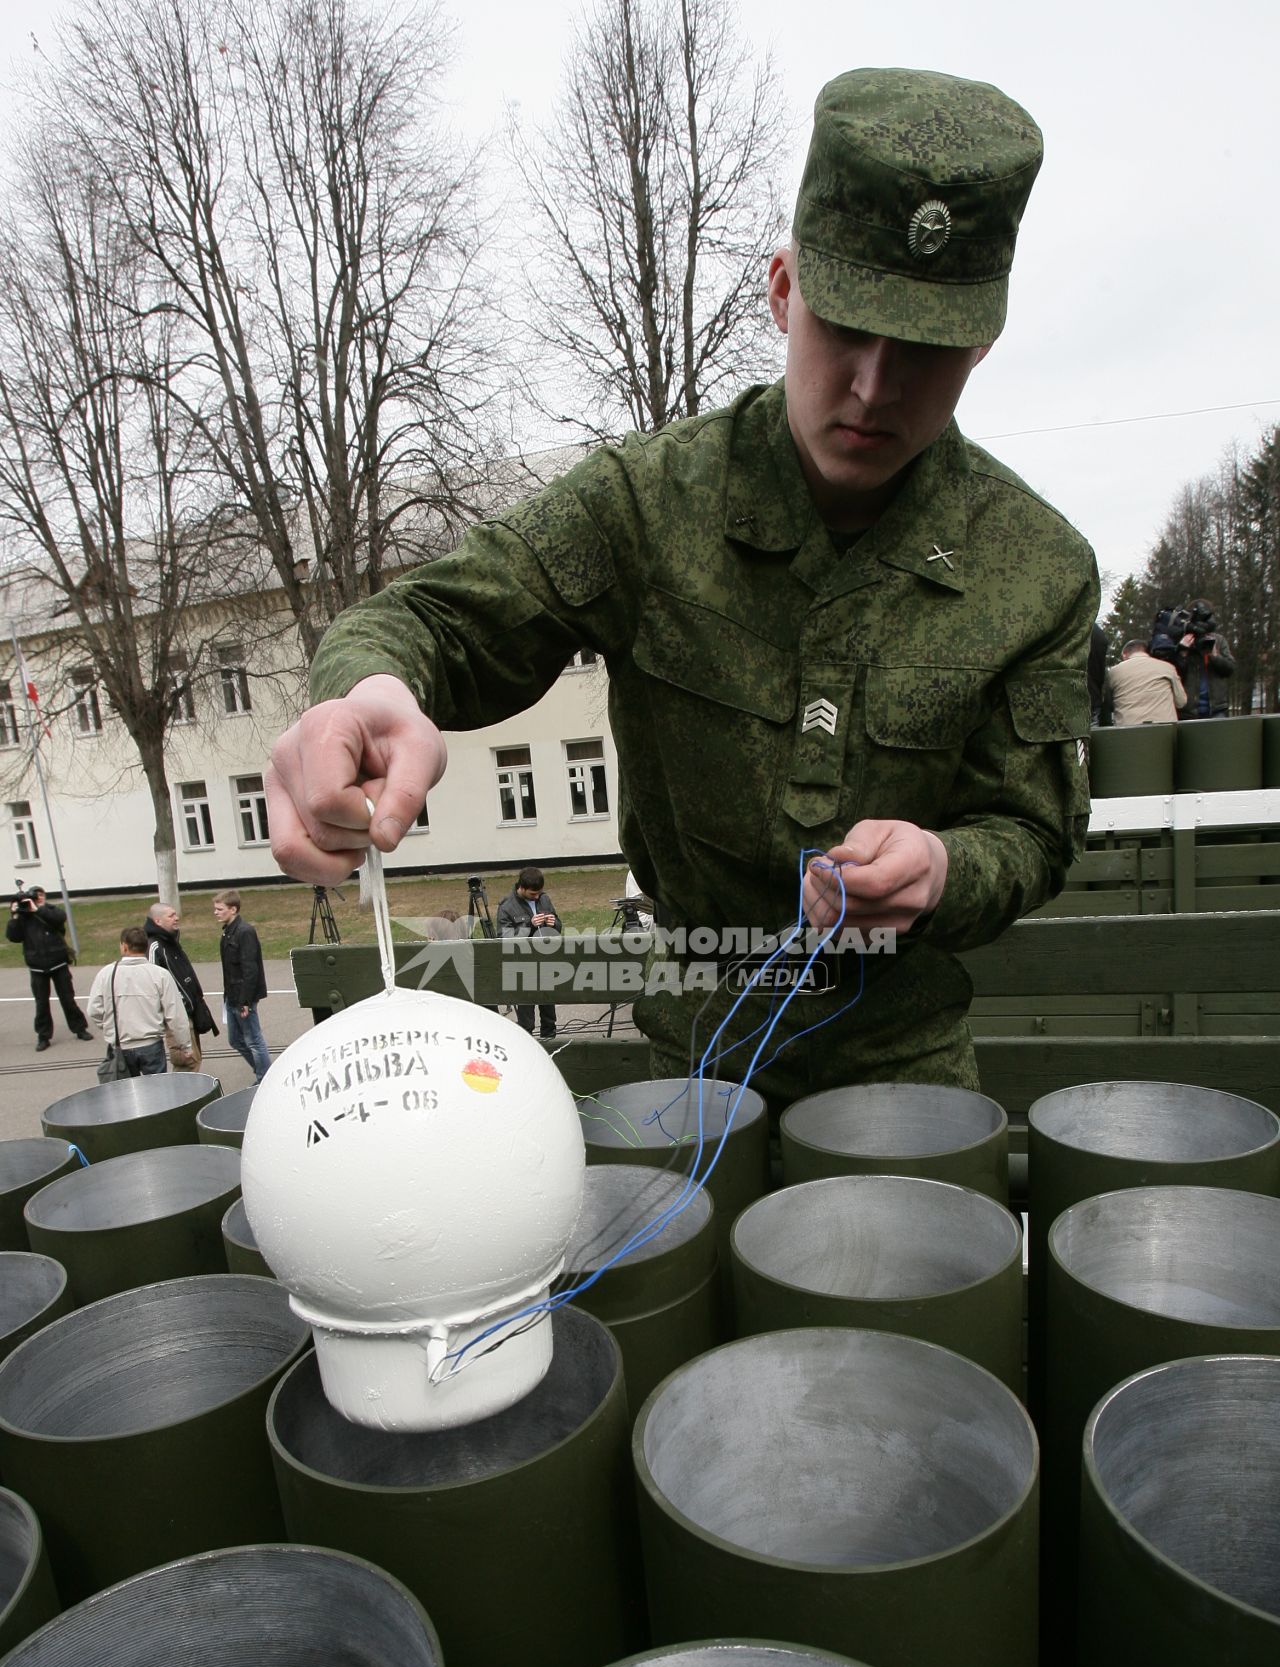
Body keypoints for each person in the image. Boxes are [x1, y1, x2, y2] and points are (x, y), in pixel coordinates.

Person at [266, 68, 1098, 1104]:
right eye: (844, 327)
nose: (873, 389)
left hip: (903, 1068)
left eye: (923, 351)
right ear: (783, 288)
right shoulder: (646, 503)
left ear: (981, 342)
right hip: (696, 1067)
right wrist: (369, 696)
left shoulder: (1035, 569)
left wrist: (941, 865)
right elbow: (432, 621)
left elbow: (1032, 829)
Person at [87, 926, 193, 1076]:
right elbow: (176, 1015)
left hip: (120, 1046)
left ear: (124, 946)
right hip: (151, 1045)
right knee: (156, 1093)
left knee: (125, 1095)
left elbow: (94, 1010)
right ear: (146, 946)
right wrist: (185, 1045)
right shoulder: (160, 975)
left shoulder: (107, 974)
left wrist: (108, 1026)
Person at [5, 885, 93, 1052]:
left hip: (58, 963)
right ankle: (43, 1036)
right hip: (37, 967)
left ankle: (80, 1029)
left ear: (43, 897)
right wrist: (15, 915)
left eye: (40, 896)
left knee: (68, 999)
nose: (39, 899)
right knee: (41, 1003)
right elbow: (13, 937)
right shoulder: (23, 917)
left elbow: (60, 918)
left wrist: (38, 909)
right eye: (35, 897)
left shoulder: (50, 911)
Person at [145, 901, 219, 1072]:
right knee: (187, 1063)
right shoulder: (155, 947)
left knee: (194, 1060)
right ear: (158, 921)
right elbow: (152, 983)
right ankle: (184, 1097)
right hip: (176, 1016)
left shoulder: (171, 941)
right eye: (171, 915)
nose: (176, 918)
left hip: (189, 1012)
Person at [496, 867, 562, 1039]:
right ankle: (527, 1045)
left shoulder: (544, 899)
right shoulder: (506, 906)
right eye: (533, 894)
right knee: (526, 1018)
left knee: (549, 1013)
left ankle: (550, 1042)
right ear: (522, 888)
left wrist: (553, 923)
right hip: (522, 964)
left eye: (539, 893)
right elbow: (504, 937)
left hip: (546, 960)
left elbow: (558, 926)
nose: (537, 897)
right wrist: (529, 925)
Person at [213, 889, 271, 1083]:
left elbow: (250, 969)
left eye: (220, 909)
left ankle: (265, 1077)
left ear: (233, 909)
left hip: (242, 997)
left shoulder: (244, 932)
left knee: (253, 1040)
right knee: (235, 1039)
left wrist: (245, 1001)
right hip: (232, 995)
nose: (216, 912)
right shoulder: (228, 933)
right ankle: (262, 1070)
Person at [1104, 639, 1186, 727]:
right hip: (1165, 730)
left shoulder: (1114, 672)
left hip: (1127, 730)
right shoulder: (1168, 668)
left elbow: (1108, 704)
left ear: (1124, 654)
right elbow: (1181, 702)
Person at [1176, 600, 1235, 718]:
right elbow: (1175, 674)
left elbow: (1229, 669)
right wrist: (1182, 652)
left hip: (1216, 709)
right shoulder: (1183, 641)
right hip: (1188, 711)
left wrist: (1214, 655)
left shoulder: (1218, 640)